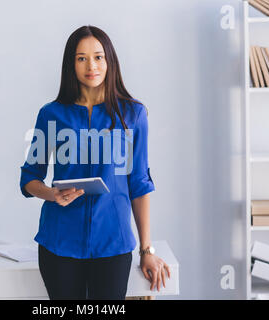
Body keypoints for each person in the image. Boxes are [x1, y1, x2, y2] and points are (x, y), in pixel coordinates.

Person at [19, 25, 170, 300]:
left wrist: (146, 250)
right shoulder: (51, 115)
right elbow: (29, 178)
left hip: (113, 244)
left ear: (110, 60)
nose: (92, 65)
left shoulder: (133, 115)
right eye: (81, 58)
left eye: (99, 57)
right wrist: (51, 194)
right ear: (71, 64)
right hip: (59, 243)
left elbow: (139, 183)